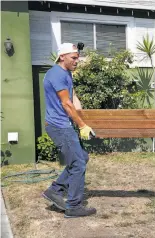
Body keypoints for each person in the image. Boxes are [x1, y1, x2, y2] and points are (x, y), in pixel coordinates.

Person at [42, 43, 96, 218]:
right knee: (78, 164)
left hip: (63, 124)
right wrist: (81, 125)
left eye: (77, 58)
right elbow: (66, 103)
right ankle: (73, 206)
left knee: (82, 157)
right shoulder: (57, 74)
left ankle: (55, 190)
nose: (76, 61)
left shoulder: (65, 73)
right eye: (73, 58)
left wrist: (82, 117)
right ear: (62, 56)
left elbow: (71, 97)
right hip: (60, 126)